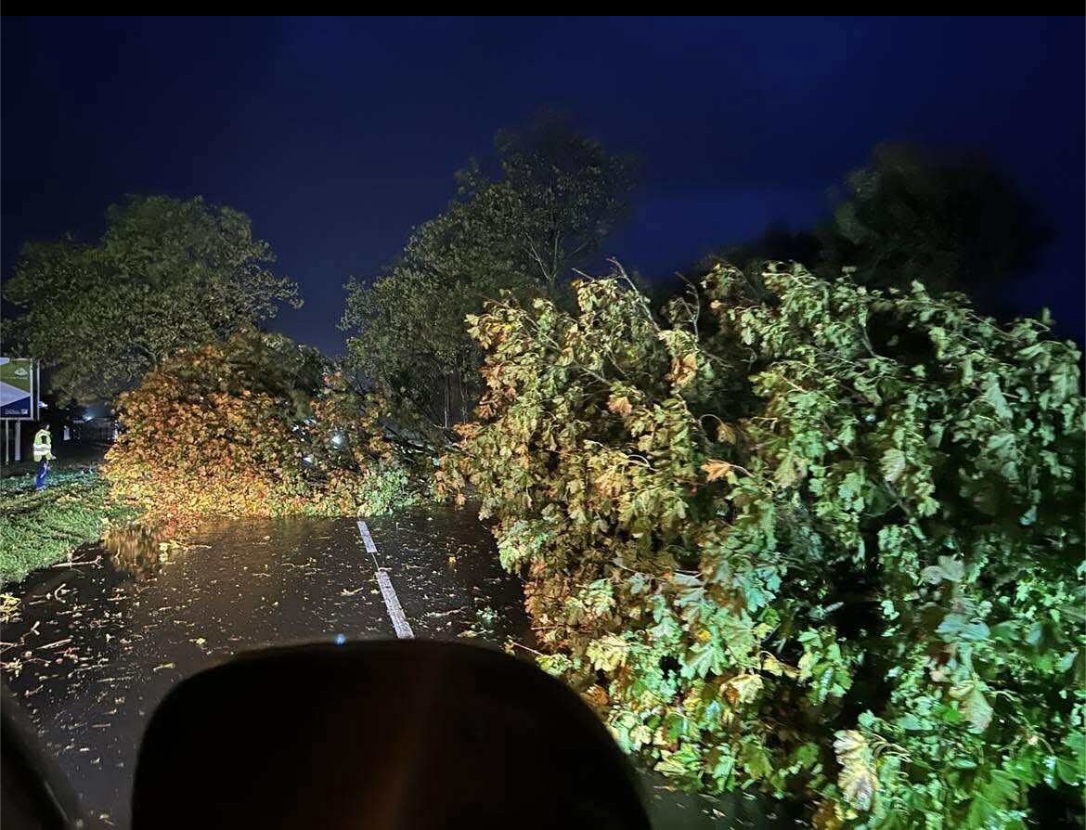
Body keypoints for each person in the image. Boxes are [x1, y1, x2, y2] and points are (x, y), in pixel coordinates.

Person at [33, 425, 53, 490]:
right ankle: (39, 485)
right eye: (48, 426)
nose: (49, 427)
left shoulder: (39, 434)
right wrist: (49, 456)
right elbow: (44, 447)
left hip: (40, 456)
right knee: (43, 471)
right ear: (46, 427)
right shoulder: (43, 435)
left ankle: (38, 482)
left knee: (45, 470)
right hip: (43, 456)